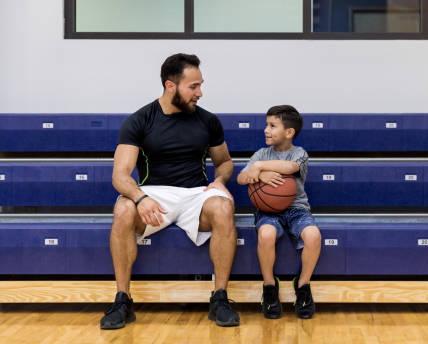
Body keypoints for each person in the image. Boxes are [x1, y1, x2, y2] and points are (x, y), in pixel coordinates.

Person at [100, 53, 240, 329]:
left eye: (200, 85)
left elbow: (223, 162)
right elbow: (120, 175)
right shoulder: (140, 120)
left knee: (223, 207)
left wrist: (221, 181)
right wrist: (141, 198)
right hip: (154, 193)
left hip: (196, 195)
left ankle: (220, 297)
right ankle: (122, 300)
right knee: (123, 208)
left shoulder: (208, 120)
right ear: (170, 86)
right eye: (193, 86)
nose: (200, 92)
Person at [237, 105, 321, 319]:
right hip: (268, 210)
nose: (266, 129)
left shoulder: (299, 153)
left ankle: (303, 286)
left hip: (296, 209)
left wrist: (260, 167)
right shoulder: (261, 152)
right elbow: (241, 178)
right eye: (266, 125)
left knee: (313, 235)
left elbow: (291, 168)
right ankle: (269, 287)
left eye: (272, 126)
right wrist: (258, 175)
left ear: (289, 132)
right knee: (266, 234)